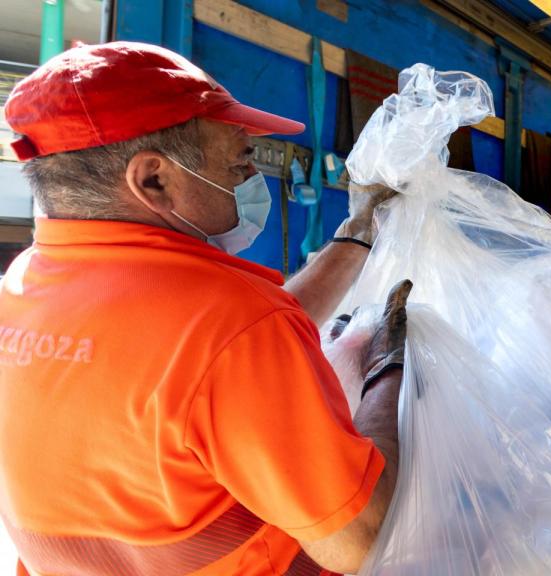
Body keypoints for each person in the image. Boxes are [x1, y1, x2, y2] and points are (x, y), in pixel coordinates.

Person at [0, 41, 406, 575]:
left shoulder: (22, 287)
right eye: (239, 161)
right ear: (153, 180)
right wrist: (388, 370)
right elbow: (362, 537)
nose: (248, 180)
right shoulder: (233, 321)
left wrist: (354, 238)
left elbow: (209, 371)